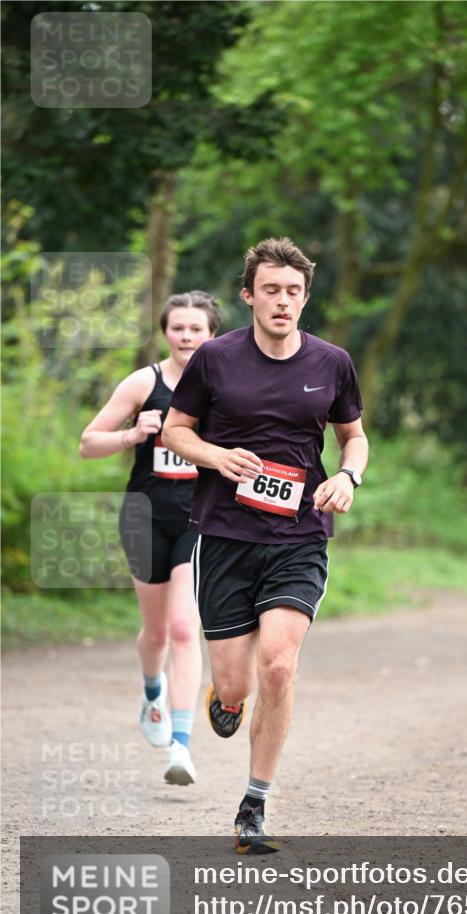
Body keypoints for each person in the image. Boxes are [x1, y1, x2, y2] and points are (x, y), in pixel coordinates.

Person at [162, 237, 368, 853]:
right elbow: (177, 430)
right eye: (271, 290)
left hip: (298, 536)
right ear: (249, 296)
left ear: (306, 298)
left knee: (279, 664)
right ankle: (223, 700)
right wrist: (217, 456)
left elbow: (354, 438)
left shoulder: (332, 363)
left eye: (294, 292)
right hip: (225, 536)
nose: (283, 302)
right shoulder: (215, 360)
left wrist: (347, 476)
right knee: (236, 690)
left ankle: (254, 805)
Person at [80, 291, 221, 785]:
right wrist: (131, 436)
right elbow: (87, 443)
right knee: (156, 633)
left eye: (196, 329)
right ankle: (150, 689)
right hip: (143, 518)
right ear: (165, 332)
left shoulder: (223, 384)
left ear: (211, 335)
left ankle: (180, 748)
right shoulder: (146, 382)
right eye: (177, 328)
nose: (186, 336)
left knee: (185, 629)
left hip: (199, 521)